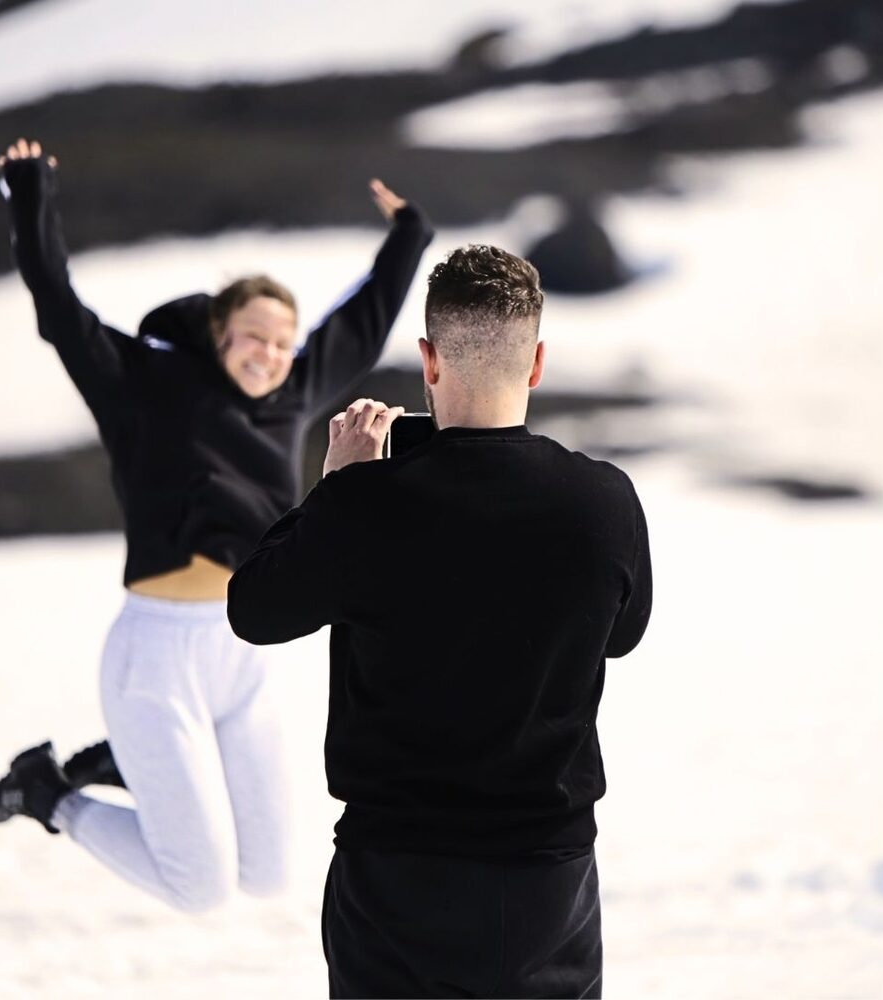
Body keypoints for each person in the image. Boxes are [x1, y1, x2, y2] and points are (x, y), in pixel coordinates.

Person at [0, 138, 434, 913]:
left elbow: (361, 322)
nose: (272, 354)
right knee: (200, 889)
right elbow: (59, 308)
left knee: (267, 875)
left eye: (286, 342)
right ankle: (49, 793)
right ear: (219, 330)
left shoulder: (290, 393)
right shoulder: (144, 383)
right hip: (155, 652)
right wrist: (30, 194)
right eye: (256, 335)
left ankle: (132, 764)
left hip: (243, 650)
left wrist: (410, 236)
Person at [227, 244, 653, 997]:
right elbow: (624, 633)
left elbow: (254, 610)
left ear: (428, 360)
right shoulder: (606, 502)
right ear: (537, 361)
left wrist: (337, 489)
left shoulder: (366, 506)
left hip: (395, 881)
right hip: (545, 886)